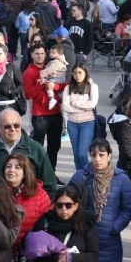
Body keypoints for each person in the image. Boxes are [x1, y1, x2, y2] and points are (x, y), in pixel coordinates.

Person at [0, 108, 57, 198]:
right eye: (7, 126)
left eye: (16, 125)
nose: (13, 129)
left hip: (30, 208)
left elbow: (50, 186)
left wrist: (46, 208)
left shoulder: (36, 149)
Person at [22, 42, 66, 170]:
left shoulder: (54, 66)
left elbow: (65, 84)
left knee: (54, 146)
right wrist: (40, 84)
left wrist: (55, 86)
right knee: (38, 147)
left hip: (56, 113)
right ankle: (36, 174)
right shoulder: (28, 73)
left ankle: (51, 173)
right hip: (40, 115)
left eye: (42, 53)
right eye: (37, 54)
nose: (40, 56)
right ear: (32, 55)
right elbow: (27, 95)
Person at [62, 62, 99, 170]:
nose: (77, 75)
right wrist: (82, 109)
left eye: (80, 73)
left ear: (85, 73)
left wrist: (75, 104)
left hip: (87, 123)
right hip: (72, 124)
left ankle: (87, 175)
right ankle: (79, 176)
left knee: (82, 153)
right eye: (75, 73)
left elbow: (92, 104)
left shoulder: (92, 87)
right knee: (76, 154)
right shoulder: (68, 88)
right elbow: (65, 107)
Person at [40, 44, 69, 110]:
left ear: (59, 53)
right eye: (50, 52)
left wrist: (43, 72)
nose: (51, 54)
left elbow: (50, 70)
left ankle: (51, 99)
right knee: (60, 93)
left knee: (48, 87)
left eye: (53, 53)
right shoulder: (61, 60)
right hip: (61, 78)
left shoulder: (56, 62)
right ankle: (63, 103)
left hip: (56, 78)